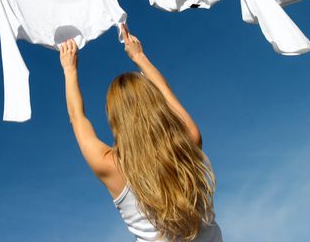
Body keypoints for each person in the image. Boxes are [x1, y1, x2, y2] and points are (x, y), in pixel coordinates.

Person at [59, 24, 222, 242]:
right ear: (156, 104)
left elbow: (76, 117)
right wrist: (139, 57)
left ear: (115, 119)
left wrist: (70, 69)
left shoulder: (109, 166)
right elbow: (167, 93)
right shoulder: (188, 141)